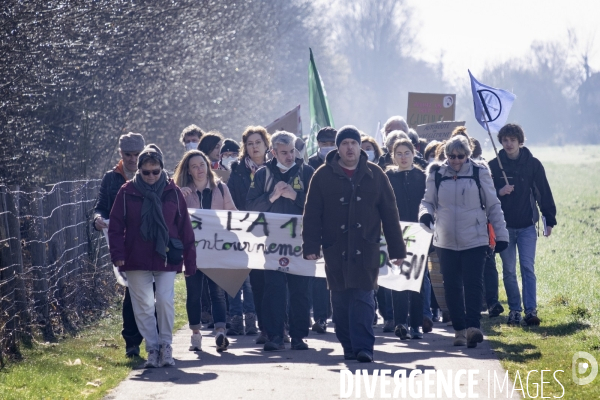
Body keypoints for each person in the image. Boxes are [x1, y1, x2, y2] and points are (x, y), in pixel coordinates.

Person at [302, 125, 406, 363]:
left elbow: (390, 214)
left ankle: (363, 348)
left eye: (354, 143)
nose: (349, 148)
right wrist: (310, 245)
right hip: (335, 249)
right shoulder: (322, 175)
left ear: (361, 147)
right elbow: (312, 213)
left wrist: (397, 249)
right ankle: (348, 346)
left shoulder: (376, 174)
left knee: (363, 299)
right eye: (345, 143)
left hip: (366, 248)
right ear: (338, 148)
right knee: (339, 302)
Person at [108, 145, 196, 368]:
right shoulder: (127, 192)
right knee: (143, 304)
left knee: (164, 300)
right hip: (136, 256)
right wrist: (117, 255)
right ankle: (152, 348)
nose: (151, 176)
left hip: (166, 255)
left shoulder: (172, 191)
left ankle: (166, 345)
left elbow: (185, 226)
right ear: (139, 171)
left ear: (161, 169)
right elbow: (116, 226)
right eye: (146, 172)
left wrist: (190, 261)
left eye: (155, 171)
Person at [419, 135, 509, 348]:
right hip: (445, 240)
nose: (455, 160)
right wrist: (425, 214)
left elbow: (493, 205)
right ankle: (459, 330)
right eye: (451, 156)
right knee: (451, 286)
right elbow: (427, 201)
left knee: (473, 284)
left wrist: (502, 235)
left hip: (475, 239)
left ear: (468, 155)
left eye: (460, 156)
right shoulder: (436, 174)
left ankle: (473, 328)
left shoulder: (480, 172)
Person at [246, 131, 315, 351]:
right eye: (284, 152)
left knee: (299, 290)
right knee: (273, 289)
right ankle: (275, 335)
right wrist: (272, 197)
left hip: (301, 242)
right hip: (273, 242)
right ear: (273, 152)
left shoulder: (307, 172)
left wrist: (294, 197)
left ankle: (299, 336)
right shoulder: (262, 175)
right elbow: (250, 207)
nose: (289, 156)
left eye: (292, 151)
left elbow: (318, 206)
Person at [488, 123, 557, 326]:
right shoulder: (493, 165)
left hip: (527, 225)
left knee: (527, 267)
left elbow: (543, 192)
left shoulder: (533, 164)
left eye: (513, 140)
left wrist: (549, 219)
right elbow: (486, 194)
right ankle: (515, 310)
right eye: (505, 140)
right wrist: (500, 191)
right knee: (509, 270)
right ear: (501, 142)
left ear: (520, 141)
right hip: (503, 227)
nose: (509, 144)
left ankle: (530, 310)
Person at [173, 150, 237, 352]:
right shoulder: (181, 192)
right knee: (194, 294)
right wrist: (178, 199)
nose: (199, 169)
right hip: (192, 252)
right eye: (194, 166)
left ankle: (220, 331)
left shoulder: (221, 188)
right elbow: (174, 220)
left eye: (202, 165)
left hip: (216, 250)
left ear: (208, 166)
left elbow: (233, 215)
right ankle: (195, 334)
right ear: (188, 171)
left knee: (217, 293)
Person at [93, 132, 146, 358]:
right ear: (120, 154)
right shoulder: (111, 178)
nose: (133, 159)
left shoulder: (153, 173)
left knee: (152, 293)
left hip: (149, 242)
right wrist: (97, 219)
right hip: (124, 244)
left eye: (137, 155)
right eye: (128, 155)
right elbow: (101, 206)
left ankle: (154, 339)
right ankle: (132, 343)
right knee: (132, 293)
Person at [227, 126, 270, 342]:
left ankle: (282, 325)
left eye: (258, 142)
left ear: (266, 144)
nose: (254, 147)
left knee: (278, 281)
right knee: (258, 282)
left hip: (274, 234)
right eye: (250, 143)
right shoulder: (237, 171)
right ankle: (264, 327)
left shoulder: (276, 167)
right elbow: (232, 200)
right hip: (248, 235)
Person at [385, 139, 431, 339]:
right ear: (393, 156)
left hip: (419, 232)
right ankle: (400, 322)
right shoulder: (388, 177)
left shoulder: (422, 176)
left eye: (407, 153)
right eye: (399, 154)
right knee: (399, 279)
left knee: (417, 280)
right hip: (396, 232)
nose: (403, 157)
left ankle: (416, 325)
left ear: (414, 154)